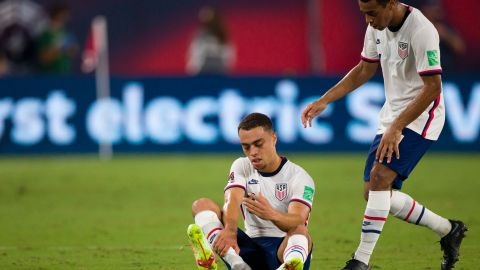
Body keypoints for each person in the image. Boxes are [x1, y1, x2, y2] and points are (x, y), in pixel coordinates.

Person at [301, 1, 467, 269]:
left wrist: (397, 127)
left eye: (372, 12)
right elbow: (365, 68)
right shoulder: (376, 26)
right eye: (363, 13)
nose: (367, 19)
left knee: (380, 178)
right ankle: (448, 230)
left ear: (391, 4)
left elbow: (433, 87)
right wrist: (326, 99)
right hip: (392, 117)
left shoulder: (421, 29)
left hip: (422, 117)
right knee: (375, 193)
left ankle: (360, 261)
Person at [187, 113, 315, 270]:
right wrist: (230, 230)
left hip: (282, 251)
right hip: (249, 249)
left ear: (274, 138)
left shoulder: (299, 176)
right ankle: (236, 264)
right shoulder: (242, 165)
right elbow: (231, 200)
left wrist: (271, 214)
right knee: (201, 204)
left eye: (258, 144)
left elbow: (298, 219)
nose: (252, 152)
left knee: (300, 229)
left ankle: (289, 265)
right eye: (246, 147)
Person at [186, 5, 235, 75]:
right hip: (202, 72)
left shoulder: (223, 35)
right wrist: (193, 70)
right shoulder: (199, 36)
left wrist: (227, 69)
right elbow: (194, 54)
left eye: (208, 16)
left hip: (220, 72)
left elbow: (228, 54)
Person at [36, 2, 78, 74]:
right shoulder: (45, 35)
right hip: (49, 76)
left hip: (64, 75)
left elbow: (73, 52)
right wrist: (58, 50)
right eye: (63, 15)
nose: (67, 18)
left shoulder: (66, 33)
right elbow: (43, 58)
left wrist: (71, 49)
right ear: (57, 15)